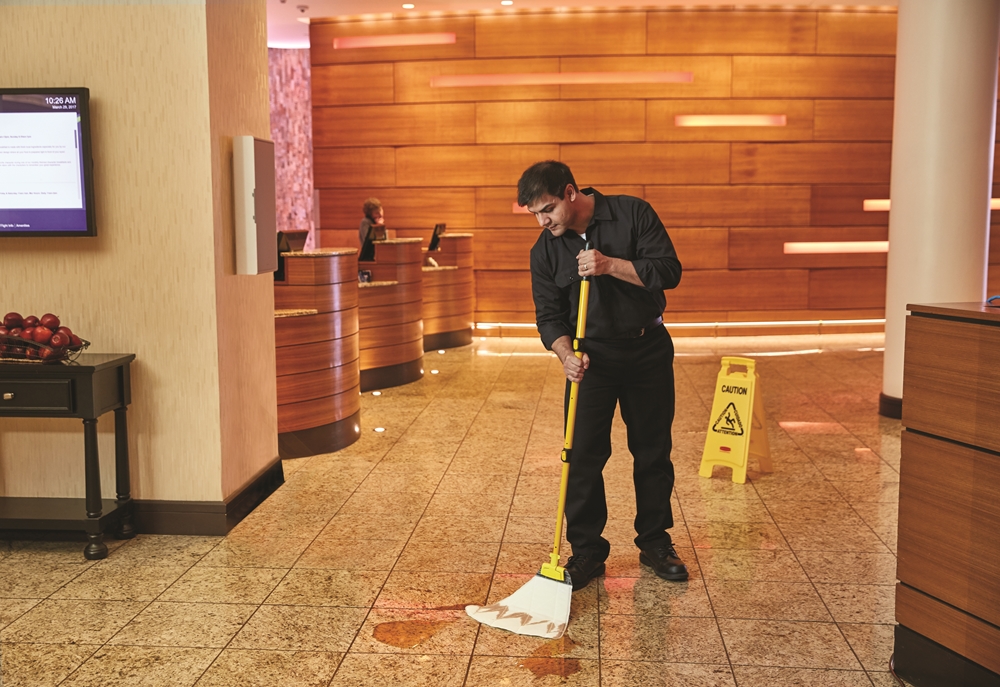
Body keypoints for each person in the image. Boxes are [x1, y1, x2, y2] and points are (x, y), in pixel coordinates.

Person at [520, 160, 686, 591]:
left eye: (548, 209)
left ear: (571, 192)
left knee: (652, 450)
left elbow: (669, 271)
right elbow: (548, 317)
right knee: (582, 455)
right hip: (589, 359)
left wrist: (611, 265)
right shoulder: (545, 250)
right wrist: (563, 354)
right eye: (535, 214)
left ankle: (655, 542)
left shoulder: (633, 213)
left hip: (647, 348)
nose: (543, 221)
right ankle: (588, 551)